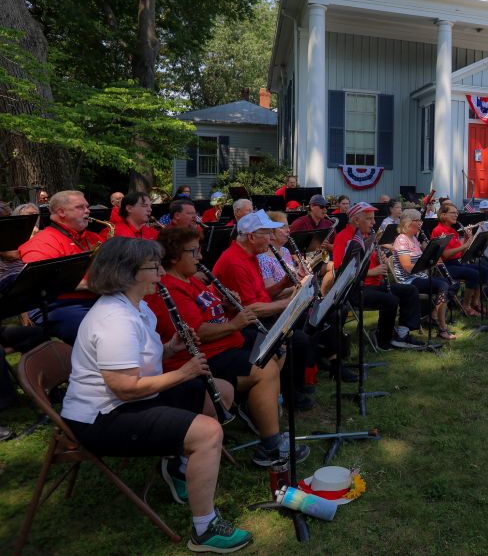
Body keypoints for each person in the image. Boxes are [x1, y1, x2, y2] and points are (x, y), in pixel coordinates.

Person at [59, 238, 252, 552]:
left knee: (223, 390)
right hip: (102, 416)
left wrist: (170, 348)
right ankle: (204, 529)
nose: (162, 273)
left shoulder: (137, 305)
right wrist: (184, 372)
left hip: (132, 398)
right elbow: (124, 387)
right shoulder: (115, 320)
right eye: (154, 267)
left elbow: (139, 361)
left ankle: (179, 466)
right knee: (208, 432)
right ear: (128, 273)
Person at [146, 227, 309, 467]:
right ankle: (270, 447)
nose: (200, 257)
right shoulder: (170, 288)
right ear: (174, 257)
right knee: (264, 370)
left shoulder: (190, 279)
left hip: (226, 343)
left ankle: (260, 409)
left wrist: (226, 305)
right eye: (194, 252)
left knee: (276, 346)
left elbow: (209, 312)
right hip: (203, 356)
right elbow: (197, 332)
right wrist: (234, 324)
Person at [213, 210, 315, 408]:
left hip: (258, 319)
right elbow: (250, 309)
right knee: (297, 340)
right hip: (245, 326)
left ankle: (293, 387)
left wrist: (283, 284)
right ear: (251, 237)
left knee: (305, 330)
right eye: (267, 233)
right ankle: (285, 394)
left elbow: (261, 295)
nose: (270, 238)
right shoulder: (234, 261)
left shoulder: (250, 255)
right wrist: (290, 303)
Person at [18, 190, 105, 343]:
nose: (87, 211)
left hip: (98, 299)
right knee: (100, 335)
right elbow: (41, 281)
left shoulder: (94, 238)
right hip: (59, 305)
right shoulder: (42, 242)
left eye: (87, 206)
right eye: (80, 207)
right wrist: (93, 284)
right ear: (61, 212)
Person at [334, 202, 424, 349]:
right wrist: (371, 272)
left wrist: (379, 258)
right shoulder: (343, 238)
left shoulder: (368, 236)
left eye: (373, 218)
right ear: (356, 220)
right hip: (356, 289)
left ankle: (402, 333)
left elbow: (370, 260)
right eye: (369, 219)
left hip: (374, 285)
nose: (374, 222)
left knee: (410, 290)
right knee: (391, 300)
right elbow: (340, 271)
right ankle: (383, 339)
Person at [392, 208, 455, 340]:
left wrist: (432, 257)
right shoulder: (402, 239)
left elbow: (422, 260)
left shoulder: (414, 238)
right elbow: (407, 267)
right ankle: (441, 327)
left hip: (419, 277)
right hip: (408, 280)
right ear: (408, 222)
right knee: (443, 285)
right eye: (418, 220)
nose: (420, 223)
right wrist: (428, 264)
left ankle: (434, 315)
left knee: (449, 283)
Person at [432, 203, 485, 316]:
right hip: (445, 265)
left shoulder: (453, 231)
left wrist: (466, 238)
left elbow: (461, 254)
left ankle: (475, 302)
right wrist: (465, 245)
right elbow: (445, 254)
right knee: (474, 274)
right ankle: (466, 306)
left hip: (456, 263)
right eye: (453, 213)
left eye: (457, 213)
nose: (456, 215)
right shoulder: (438, 231)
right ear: (443, 215)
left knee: (484, 269)